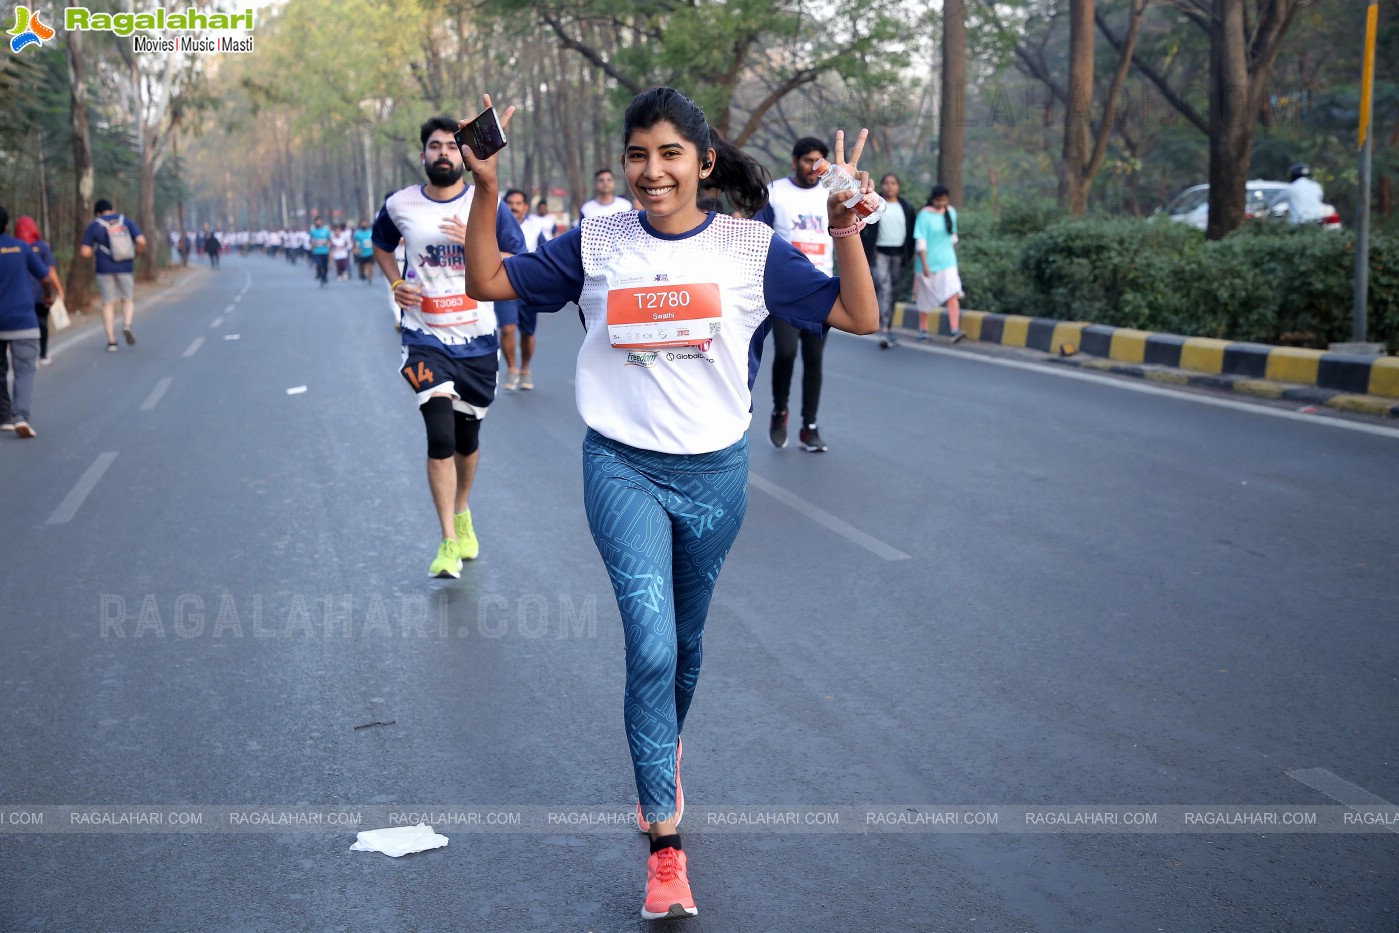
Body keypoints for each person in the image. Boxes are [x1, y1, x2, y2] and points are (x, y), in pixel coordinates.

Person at [460, 87, 877, 921]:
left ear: (703, 162)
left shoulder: (748, 248)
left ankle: (661, 752)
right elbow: (487, 278)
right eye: (638, 155)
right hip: (621, 468)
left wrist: (841, 232)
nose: (651, 172)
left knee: (684, 647)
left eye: (670, 155)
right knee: (649, 646)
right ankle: (664, 844)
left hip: (716, 475)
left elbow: (859, 315)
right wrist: (482, 185)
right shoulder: (600, 239)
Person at [371, 115, 525, 578]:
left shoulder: (488, 206)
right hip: (424, 336)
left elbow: (519, 260)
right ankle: (447, 540)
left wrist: (480, 245)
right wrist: (396, 281)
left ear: (463, 156)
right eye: (435, 147)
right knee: (439, 434)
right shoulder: (400, 205)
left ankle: (462, 509)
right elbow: (380, 244)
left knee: (466, 438)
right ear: (423, 156)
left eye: (451, 147)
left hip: (477, 339)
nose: (443, 153)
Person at [757, 136, 834, 452]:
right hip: (786, 291)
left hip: (821, 288)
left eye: (819, 161)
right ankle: (779, 410)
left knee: (814, 359)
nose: (813, 167)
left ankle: (809, 427)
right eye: (807, 160)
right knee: (786, 353)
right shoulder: (776, 193)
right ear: (794, 161)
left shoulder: (833, 194)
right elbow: (759, 235)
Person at [0, 206, 52, 438]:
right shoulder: (21, 247)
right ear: (7, 226)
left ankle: (4, 416)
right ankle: (21, 416)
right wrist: (48, 295)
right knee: (25, 370)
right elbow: (44, 276)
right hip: (22, 320)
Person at [80, 198, 146, 352]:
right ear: (113, 209)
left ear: (97, 212)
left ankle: (111, 341)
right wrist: (136, 254)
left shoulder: (95, 225)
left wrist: (96, 251)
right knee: (127, 299)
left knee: (108, 303)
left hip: (104, 268)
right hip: (125, 266)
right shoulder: (125, 221)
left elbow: (84, 252)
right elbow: (142, 241)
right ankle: (127, 325)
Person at [860, 173, 916, 348]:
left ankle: (888, 325)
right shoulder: (876, 204)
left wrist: (911, 254)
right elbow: (863, 225)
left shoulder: (906, 206)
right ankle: (883, 328)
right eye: (886, 183)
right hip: (880, 254)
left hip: (899, 254)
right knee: (885, 287)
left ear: (898, 186)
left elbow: (912, 231)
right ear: (882, 186)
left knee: (894, 291)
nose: (890, 186)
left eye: (893, 183)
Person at [913, 184, 963, 342]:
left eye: (944, 200)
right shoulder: (924, 215)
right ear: (933, 199)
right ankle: (923, 330)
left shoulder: (951, 212)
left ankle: (955, 330)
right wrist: (925, 264)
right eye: (938, 200)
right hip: (928, 264)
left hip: (948, 262)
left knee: (953, 293)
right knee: (925, 298)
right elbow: (921, 242)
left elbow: (953, 237)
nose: (941, 203)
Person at [13, 216, 63, 366]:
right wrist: (58, 288)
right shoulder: (42, 247)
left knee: (25, 327)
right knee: (42, 324)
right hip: (41, 293)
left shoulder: (15, 247)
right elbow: (50, 271)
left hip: (21, 295)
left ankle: (29, 355)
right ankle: (43, 354)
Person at [496, 189, 530, 389]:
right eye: (510, 203)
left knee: (527, 332)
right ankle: (512, 368)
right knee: (508, 328)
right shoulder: (496, 225)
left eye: (519, 203)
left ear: (525, 207)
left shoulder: (536, 227)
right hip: (504, 284)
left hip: (529, 286)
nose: (514, 207)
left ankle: (525, 367)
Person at [309, 216, 331, 285]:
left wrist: (327, 244)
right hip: (316, 251)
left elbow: (329, 239)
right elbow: (310, 240)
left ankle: (325, 276)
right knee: (319, 265)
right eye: (317, 221)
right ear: (315, 222)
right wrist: (312, 245)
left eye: (320, 221)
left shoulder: (326, 231)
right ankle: (321, 277)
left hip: (325, 251)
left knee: (325, 266)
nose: (318, 222)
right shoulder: (312, 231)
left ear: (322, 222)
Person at [353, 219, 375, 284]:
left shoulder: (371, 232)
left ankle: (370, 277)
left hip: (370, 252)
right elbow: (355, 243)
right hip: (362, 253)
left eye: (365, 223)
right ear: (360, 224)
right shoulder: (357, 234)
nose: (364, 224)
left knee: (370, 265)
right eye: (363, 223)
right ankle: (362, 273)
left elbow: (374, 242)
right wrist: (356, 250)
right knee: (362, 267)